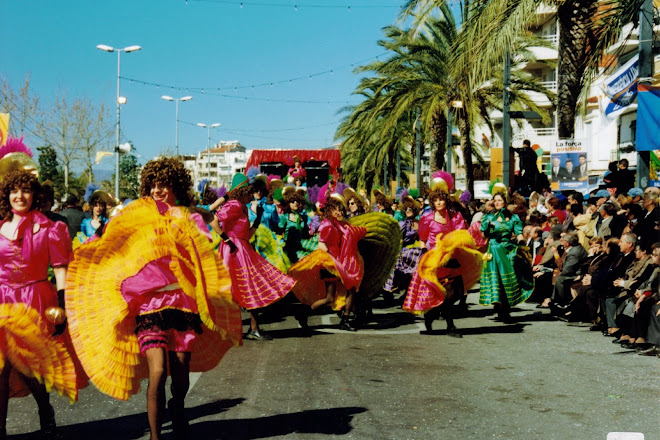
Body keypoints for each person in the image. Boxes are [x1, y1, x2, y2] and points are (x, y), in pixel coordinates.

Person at [66, 157, 242, 440]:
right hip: (149, 305)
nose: (158, 190)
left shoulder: (189, 217)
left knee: (180, 375)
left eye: (164, 184)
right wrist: (88, 250)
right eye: (153, 185)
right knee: (158, 371)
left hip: (183, 302)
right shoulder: (136, 213)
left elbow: (204, 249)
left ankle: (178, 406)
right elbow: (111, 237)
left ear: (176, 186)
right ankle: (155, 436)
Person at [0, 169, 84, 440]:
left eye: (25, 190)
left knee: (28, 366)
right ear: (7, 195)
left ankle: (45, 410)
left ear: (34, 195)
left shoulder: (50, 228)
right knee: (1, 368)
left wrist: (62, 303)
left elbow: (60, 268)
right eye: (14, 191)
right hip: (2, 301)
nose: (19, 196)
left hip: (33, 302)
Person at [211, 173, 296, 340]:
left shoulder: (242, 207)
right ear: (242, 191)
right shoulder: (234, 204)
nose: (252, 195)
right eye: (249, 192)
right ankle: (236, 330)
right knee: (241, 289)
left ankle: (251, 329)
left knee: (251, 288)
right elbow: (213, 219)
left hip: (242, 249)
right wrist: (226, 239)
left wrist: (257, 220)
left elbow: (247, 235)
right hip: (233, 252)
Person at [403, 172, 482, 335]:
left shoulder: (455, 217)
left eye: (441, 199)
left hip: (452, 257)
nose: (439, 202)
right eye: (436, 200)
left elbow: (461, 234)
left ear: (446, 200)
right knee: (447, 291)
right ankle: (449, 325)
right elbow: (423, 239)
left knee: (458, 291)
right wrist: (425, 254)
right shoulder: (427, 219)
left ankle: (433, 312)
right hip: (436, 260)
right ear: (432, 202)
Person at [288, 194, 367, 332]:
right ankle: (304, 313)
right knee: (332, 297)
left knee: (346, 291)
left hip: (336, 264)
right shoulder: (327, 225)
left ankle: (343, 318)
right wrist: (332, 260)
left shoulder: (336, 224)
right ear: (329, 209)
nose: (339, 212)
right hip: (329, 265)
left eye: (341, 210)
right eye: (337, 210)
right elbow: (321, 246)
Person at [479, 185, 534, 321]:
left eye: (500, 200)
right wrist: (487, 229)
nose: (497, 203)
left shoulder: (513, 217)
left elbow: (519, 233)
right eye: (495, 201)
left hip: (507, 249)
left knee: (509, 280)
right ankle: (499, 308)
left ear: (505, 202)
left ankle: (506, 308)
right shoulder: (489, 217)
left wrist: (522, 244)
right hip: (494, 250)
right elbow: (484, 236)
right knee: (496, 280)